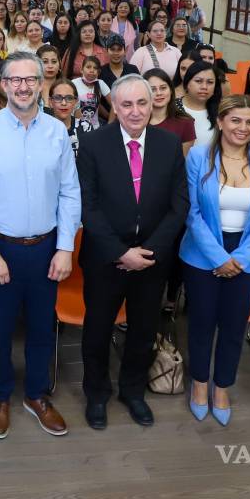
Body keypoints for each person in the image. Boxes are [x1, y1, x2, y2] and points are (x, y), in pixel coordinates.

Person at [0, 51, 81, 439]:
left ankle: (36, 395)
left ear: (41, 84)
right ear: (3, 85)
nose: (23, 86)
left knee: (42, 328)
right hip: (1, 249)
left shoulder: (57, 132)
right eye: (15, 79)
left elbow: (70, 193)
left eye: (31, 79)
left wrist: (65, 247)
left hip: (47, 248)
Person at [76, 73, 188, 430]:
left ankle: (133, 390)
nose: (135, 111)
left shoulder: (169, 144)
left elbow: (179, 205)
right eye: (126, 104)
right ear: (115, 106)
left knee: (143, 329)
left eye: (142, 102)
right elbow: (88, 206)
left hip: (152, 261)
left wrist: (149, 251)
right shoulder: (93, 144)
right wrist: (121, 252)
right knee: (97, 330)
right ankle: (97, 394)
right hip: (105, 258)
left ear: (153, 104)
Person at [179, 96, 250, 426]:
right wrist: (219, 257)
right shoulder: (199, 156)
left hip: (247, 255)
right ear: (220, 122)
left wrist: (241, 257)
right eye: (236, 120)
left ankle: (222, 386)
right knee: (202, 322)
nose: (243, 128)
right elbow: (192, 212)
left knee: (234, 326)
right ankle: (199, 383)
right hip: (202, 252)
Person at [144, 69, 195, 155]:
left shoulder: (185, 122)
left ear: (171, 90)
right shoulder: (137, 122)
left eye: (163, 88)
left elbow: (182, 159)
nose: (159, 93)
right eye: (152, 89)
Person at [177, 61, 222, 148]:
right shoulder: (172, 107)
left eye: (210, 82)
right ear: (187, 83)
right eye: (198, 81)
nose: (204, 87)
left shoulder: (221, 111)